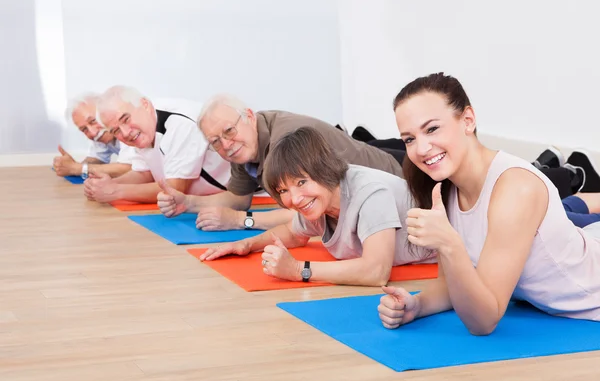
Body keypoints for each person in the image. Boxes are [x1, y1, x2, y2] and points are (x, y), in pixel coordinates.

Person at [378, 73, 600, 335]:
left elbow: (483, 321)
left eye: (432, 129)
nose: (422, 148)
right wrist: (417, 304)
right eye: (409, 139)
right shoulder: (447, 190)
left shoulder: (516, 188)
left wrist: (450, 243)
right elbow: (455, 284)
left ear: (468, 120)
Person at [199, 127, 435, 286]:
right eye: (283, 191)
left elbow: (376, 272)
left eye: (301, 182)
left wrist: (298, 270)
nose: (295, 199)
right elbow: (293, 233)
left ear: (323, 169)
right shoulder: (320, 198)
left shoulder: (370, 192)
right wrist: (248, 244)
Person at [157, 94, 407, 231]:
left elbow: (304, 214)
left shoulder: (281, 144)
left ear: (249, 117)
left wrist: (238, 221)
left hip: (397, 178)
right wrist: (188, 202)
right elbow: (238, 198)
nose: (225, 144)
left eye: (229, 131)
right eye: (215, 142)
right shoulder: (242, 144)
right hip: (363, 164)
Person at [85, 86, 231, 203]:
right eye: (115, 130)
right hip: (208, 199)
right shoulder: (142, 127)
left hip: (242, 198)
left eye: (126, 119)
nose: (125, 132)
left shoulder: (179, 123)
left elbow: (174, 189)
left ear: (145, 105)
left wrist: (116, 191)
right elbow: (144, 173)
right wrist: (107, 184)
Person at [53, 93, 135, 179]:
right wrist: (71, 165)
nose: (93, 133)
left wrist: (78, 168)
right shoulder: (101, 135)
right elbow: (97, 159)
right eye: (84, 129)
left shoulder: (126, 128)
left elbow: (130, 169)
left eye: (93, 121)